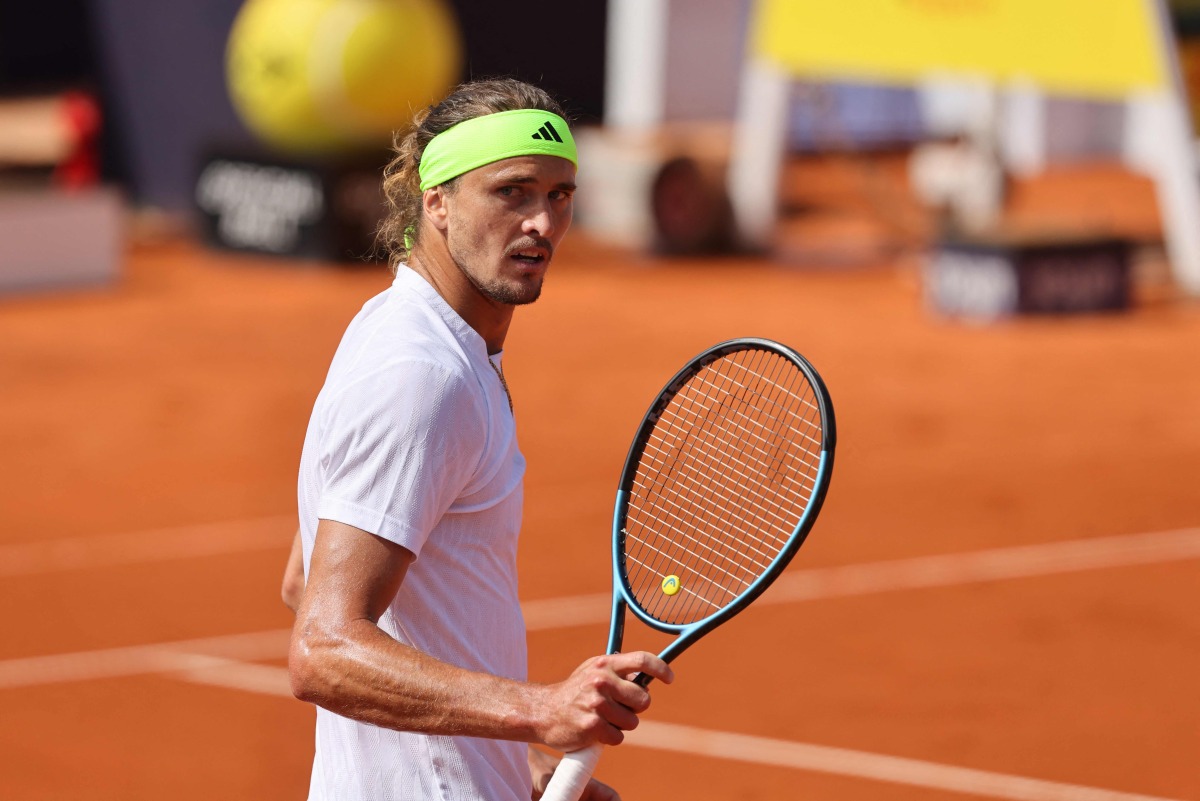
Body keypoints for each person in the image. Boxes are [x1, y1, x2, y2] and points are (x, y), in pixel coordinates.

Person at [283, 77, 673, 801]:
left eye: (559, 195)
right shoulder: (423, 376)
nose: (542, 224)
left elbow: (306, 576)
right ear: (437, 202)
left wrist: (511, 762)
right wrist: (542, 709)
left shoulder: (405, 333)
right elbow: (322, 646)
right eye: (512, 192)